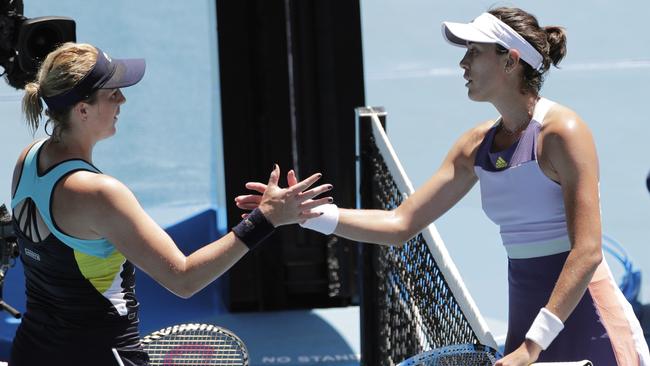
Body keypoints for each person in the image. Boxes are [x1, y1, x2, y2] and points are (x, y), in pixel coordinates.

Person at [236, 7, 650, 365]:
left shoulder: (562, 133)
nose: (463, 64)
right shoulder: (475, 146)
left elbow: (587, 250)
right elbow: (401, 223)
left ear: (510, 60)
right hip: (528, 328)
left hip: (585, 322)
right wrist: (305, 215)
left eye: (474, 52)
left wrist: (533, 343)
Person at [10, 42, 333, 366]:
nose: (122, 99)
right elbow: (184, 279)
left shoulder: (28, 160)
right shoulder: (100, 194)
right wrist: (266, 218)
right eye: (112, 94)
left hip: (32, 352)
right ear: (82, 110)